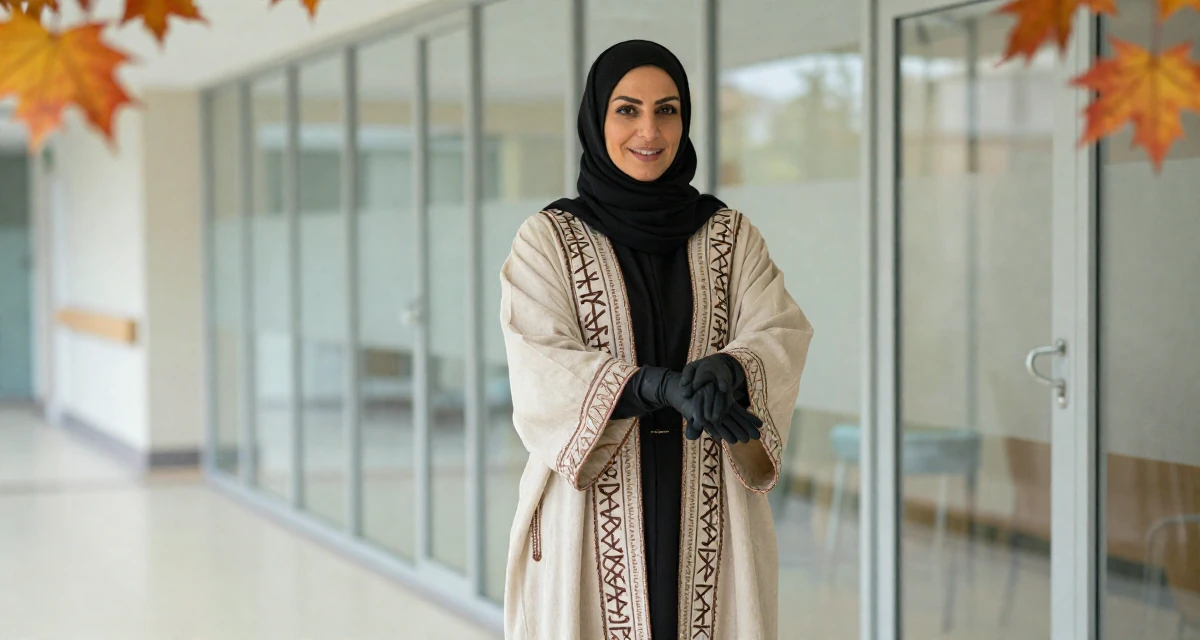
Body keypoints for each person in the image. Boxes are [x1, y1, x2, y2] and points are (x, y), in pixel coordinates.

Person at [498, 38, 813, 640]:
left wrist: (734, 369)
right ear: (597, 118)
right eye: (627, 109)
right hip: (588, 511)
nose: (650, 129)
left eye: (666, 109)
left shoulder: (729, 234)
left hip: (710, 497)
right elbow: (541, 361)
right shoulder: (547, 240)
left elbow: (780, 329)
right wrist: (654, 385)